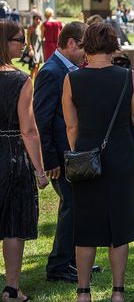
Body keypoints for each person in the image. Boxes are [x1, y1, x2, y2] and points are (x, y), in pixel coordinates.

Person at [61, 22, 134, 302]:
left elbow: (71, 126)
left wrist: (80, 152)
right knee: (118, 227)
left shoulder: (72, 79)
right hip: (121, 156)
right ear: (113, 45)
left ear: (86, 45)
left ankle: (83, 292)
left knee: (85, 227)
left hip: (87, 158)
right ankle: (117, 291)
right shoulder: (127, 76)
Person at [34, 21, 92, 283]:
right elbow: (42, 120)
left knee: (77, 205)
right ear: (71, 43)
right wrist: (49, 160)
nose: (86, 53)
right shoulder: (51, 72)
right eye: (83, 47)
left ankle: (72, 260)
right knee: (71, 205)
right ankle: (58, 264)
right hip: (59, 156)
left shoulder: (68, 69)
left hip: (70, 154)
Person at [0, 19, 49, 302]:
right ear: (5, 43)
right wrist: (40, 171)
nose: (24, 45)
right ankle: (11, 288)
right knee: (13, 224)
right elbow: (28, 130)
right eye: (19, 39)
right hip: (11, 154)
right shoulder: (20, 80)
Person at [26, 12, 43, 79]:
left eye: (39, 19)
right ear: (33, 20)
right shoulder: (31, 27)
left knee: (38, 65)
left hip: (39, 49)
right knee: (34, 66)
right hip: (33, 48)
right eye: (36, 19)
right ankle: (30, 81)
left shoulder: (39, 27)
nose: (38, 21)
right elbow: (28, 39)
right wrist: (30, 49)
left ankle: (36, 81)